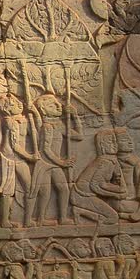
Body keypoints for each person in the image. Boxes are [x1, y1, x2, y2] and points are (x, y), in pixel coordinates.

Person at [31, 94, 82, 226]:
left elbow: (79, 136)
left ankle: (62, 218)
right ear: (43, 110)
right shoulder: (47, 127)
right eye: (52, 105)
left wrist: (75, 116)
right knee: (45, 192)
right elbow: (46, 150)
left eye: (57, 104)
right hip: (45, 163)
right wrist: (62, 162)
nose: (58, 106)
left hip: (54, 163)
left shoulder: (59, 125)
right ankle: (41, 219)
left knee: (64, 189)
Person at [0, 94, 38, 228]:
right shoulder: (10, 122)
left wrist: (35, 114)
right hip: (10, 157)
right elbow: (15, 145)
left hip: (19, 157)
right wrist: (29, 156)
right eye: (14, 103)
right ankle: (4, 220)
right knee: (8, 189)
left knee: (30, 187)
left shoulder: (23, 120)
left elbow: (36, 134)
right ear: (7, 109)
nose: (19, 104)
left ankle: (27, 219)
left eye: (18, 101)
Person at [70, 129, 126, 225]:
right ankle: (80, 212)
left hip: (87, 194)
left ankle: (79, 211)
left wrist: (119, 189)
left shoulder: (111, 160)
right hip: (82, 196)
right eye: (109, 142)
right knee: (113, 218)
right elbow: (96, 185)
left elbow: (117, 181)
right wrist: (114, 193)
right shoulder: (104, 162)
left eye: (114, 141)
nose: (114, 144)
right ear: (102, 145)